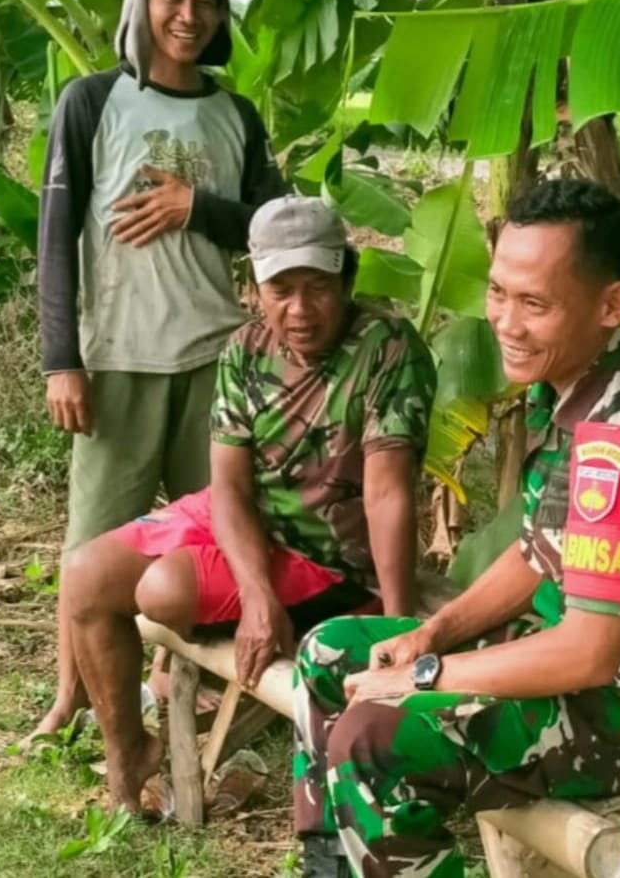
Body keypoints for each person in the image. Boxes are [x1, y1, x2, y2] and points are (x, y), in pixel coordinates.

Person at [290, 179, 620, 878]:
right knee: (330, 651)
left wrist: (423, 676)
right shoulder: (566, 386)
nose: (505, 322)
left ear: (610, 306)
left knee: (376, 736)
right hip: (576, 663)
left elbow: (589, 654)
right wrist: (429, 634)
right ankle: (334, 867)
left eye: (533, 303)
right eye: (498, 292)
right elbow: (538, 550)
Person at [60, 194, 438, 811]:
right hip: (250, 523)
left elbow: (388, 490)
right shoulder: (245, 348)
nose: (299, 309)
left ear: (347, 277)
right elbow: (229, 485)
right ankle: (129, 750)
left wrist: (397, 629)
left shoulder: (387, 349)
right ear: (254, 287)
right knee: (85, 573)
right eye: (280, 289)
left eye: (316, 286)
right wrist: (257, 595)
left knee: (163, 591)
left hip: (326, 556)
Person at [30, 0, 286, 745]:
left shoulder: (234, 115)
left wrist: (194, 205)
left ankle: (184, 682)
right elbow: (55, 233)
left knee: (212, 537)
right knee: (93, 542)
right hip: (117, 359)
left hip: (215, 358)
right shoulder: (91, 101)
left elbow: (273, 229)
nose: (188, 14)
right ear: (142, 3)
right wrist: (59, 360)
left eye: (206, 0)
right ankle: (70, 695)